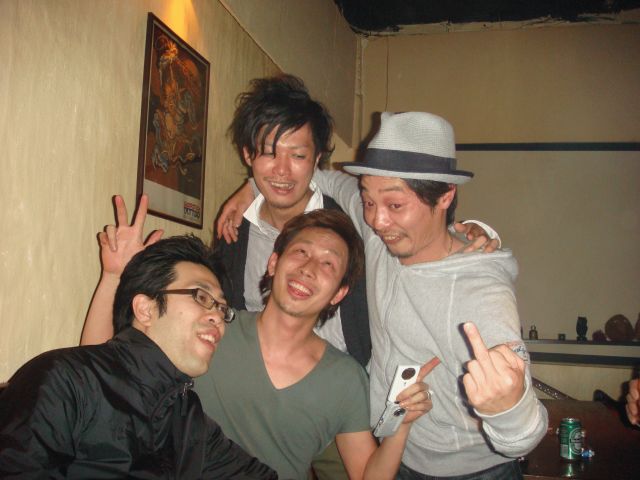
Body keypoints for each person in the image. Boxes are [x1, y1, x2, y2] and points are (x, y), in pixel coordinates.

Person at [220, 112, 549, 479]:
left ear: (445, 196)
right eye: (368, 201)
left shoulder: (481, 290)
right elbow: (317, 178)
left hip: (472, 472)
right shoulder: (381, 237)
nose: (377, 220)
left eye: (394, 205)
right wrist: (253, 187)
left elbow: (525, 436)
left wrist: (508, 409)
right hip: (395, 452)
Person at [81, 199, 437, 479]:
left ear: (339, 293)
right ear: (273, 263)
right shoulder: (212, 326)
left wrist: (400, 426)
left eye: (328, 264)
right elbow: (102, 376)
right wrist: (114, 276)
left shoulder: (345, 378)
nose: (308, 269)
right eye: (300, 252)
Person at [0, 235, 276, 478]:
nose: (218, 316)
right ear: (145, 310)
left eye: (222, 308)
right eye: (201, 297)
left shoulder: (187, 417)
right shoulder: (62, 381)